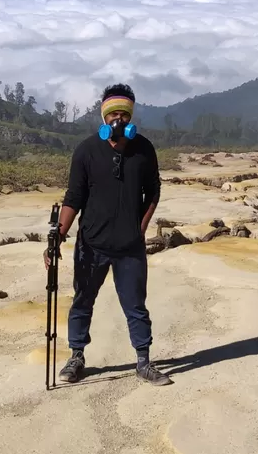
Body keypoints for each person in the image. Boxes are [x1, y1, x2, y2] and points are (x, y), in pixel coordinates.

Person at [47, 83, 171, 386]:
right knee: (82, 301)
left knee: (135, 306)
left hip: (129, 248)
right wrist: (57, 238)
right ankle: (76, 357)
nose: (119, 120)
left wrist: (140, 229)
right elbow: (73, 197)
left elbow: (153, 191)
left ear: (130, 117)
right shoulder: (86, 151)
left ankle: (143, 361)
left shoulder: (144, 149)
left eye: (124, 114)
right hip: (91, 245)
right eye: (113, 114)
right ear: (104, 117)